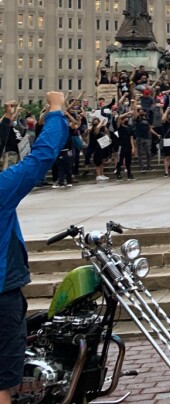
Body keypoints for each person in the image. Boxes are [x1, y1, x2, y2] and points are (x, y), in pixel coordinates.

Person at [1, 92, 68, 403]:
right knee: (2, 382)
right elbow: (40, 158)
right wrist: (56, 111)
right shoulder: (2, 189)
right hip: (2, 294)